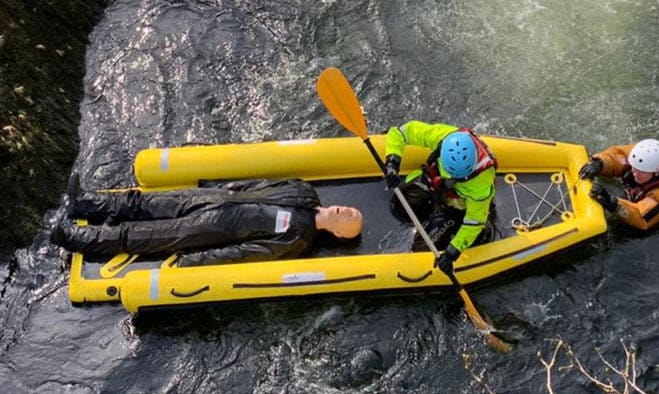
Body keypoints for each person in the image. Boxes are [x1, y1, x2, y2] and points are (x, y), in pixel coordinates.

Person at [51, 177, 363, 266]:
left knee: (138, 235)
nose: (347, 211)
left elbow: (246, 253)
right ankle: (85, 202)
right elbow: (256, 186)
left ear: (339, 235)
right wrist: (219, 189)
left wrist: (197, 260)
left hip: (210, 229)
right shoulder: (302, 189)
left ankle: (74, 238)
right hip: (213, 199)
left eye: (350, 219)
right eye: (351, 209)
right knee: (142, 202)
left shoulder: (297, 240)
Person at [382, 120, 497, 275]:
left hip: (458, 206)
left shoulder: (481, 183)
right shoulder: (445, 136)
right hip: (436, 186)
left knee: (422, 248)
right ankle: (430, 213)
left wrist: (452, 252)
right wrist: (392, 163)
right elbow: (401, 132)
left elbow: (474, 221)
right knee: (400, 205)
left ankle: (465, 230)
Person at [578, 138, 659, 231]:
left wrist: (613, 202)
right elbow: (616, 158)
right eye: (633, 168)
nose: (634, 173)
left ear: (656, 172)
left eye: (641, 171)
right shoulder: (639, 156)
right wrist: (599, 163)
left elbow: (641, 216)